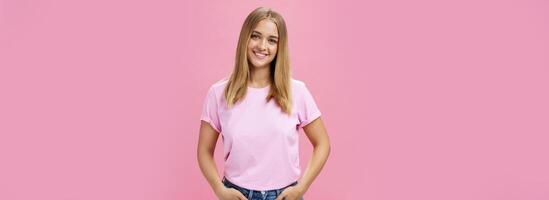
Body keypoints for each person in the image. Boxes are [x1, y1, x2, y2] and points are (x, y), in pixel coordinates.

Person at [197, 7, 331, 200]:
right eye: (255, 36)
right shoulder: (218, 94)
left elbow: (323, 143)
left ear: (279, 46)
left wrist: (300, 189)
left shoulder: (297, 92)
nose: (262, 46)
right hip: (236, 194)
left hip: (286, 195)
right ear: (245, 38)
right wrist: (219, 189)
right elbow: (203, 151)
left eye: (272, 40)